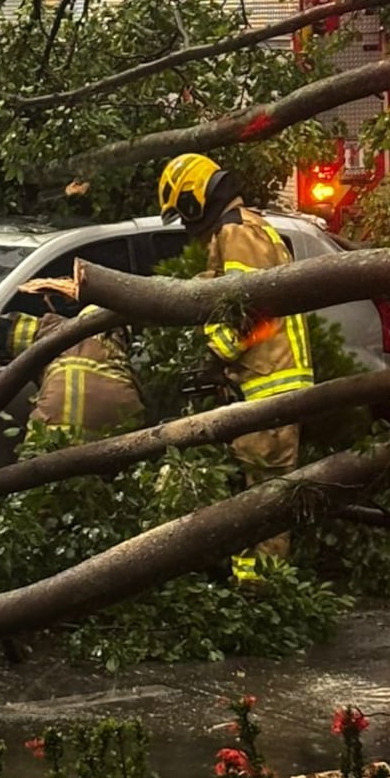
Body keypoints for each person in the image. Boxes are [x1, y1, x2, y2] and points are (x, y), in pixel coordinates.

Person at [157, 153, 314, 578]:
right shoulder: (242, 230)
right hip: (263, 386)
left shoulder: (239, 233)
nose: (187, 223)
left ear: (196, 199)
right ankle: (253, 587)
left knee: (264, 504)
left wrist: (217, 354)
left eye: (184, 211)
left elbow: (259, 312)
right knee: (254, 499)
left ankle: (262, 593)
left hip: (270, 389)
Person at [0, 296, 144, 439]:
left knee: (38, 457)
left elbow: (7, 329)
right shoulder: (118, 356)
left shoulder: (59, 330)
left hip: (53, 432)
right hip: (110, 437)